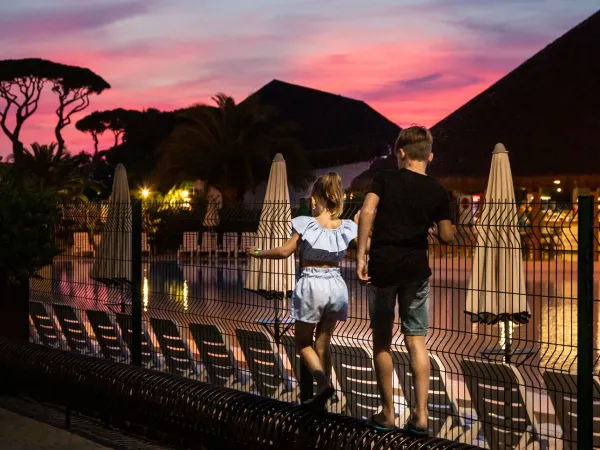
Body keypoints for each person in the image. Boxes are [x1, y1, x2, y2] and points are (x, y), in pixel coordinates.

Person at [356, 126, 454, 436]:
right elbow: (448, 236)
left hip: (383, 267)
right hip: (416, 270)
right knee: (416, 340)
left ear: (400, 153)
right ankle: (421, 416)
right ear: (430, 156)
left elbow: (367, 210)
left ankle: (387, 414)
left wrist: (361, 255)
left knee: (382, 341)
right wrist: (428, 227)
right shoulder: (439, 191)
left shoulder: (384, 178)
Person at [246, 173, 358, 411]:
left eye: (312, 199)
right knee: (323, 342)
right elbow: (364, 247)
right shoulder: (345, 227)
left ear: (317, 199)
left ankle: (323, 384)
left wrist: (257, 253)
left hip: (312, 285)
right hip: (337, 285)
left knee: (303, 343)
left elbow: (285, 252)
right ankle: (321, 398)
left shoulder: (307, 223)